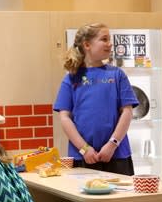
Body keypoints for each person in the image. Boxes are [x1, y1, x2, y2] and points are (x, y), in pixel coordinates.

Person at [53, 22, 138, 175]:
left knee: (121, 198)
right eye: (104, 39)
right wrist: (84, 149)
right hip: (82, 156)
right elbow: (65, 118)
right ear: (87, 45)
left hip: (117, 155)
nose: (110, 44)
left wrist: (112, 144)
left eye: (109, 39)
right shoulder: (71, 79)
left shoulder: (117, 75)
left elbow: (127, 112)